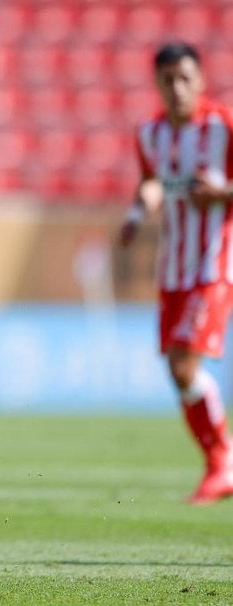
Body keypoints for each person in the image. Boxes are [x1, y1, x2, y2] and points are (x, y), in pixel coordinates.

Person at [119, 41, 233, 505]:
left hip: (215, 261)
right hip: (174, 268)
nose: (177, 88)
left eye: (185, 78)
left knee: (186, 362)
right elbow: (151, 182)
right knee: (177, 370)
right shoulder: (149, 133)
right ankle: (219, 461)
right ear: (158, 84)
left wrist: (225, 192)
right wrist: (136, 211)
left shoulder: (224, 127)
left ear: (201, 80)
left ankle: (222, 462)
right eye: (168, 80)